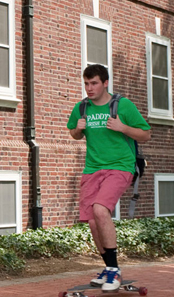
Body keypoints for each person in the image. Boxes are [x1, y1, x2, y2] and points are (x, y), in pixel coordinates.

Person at [67, 64, 151, 291]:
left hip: (120, 166)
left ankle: (114, 272)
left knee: (101, 209)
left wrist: (123, 127)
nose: (89, 88)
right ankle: (109, 268)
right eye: (86, 83)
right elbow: (74, 134)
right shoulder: (82, 108)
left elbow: (145, 134)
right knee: (93, 221)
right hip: (92, 169)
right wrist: (77, 128)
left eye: (93, 83)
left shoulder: (122, 105)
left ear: (105, 83)